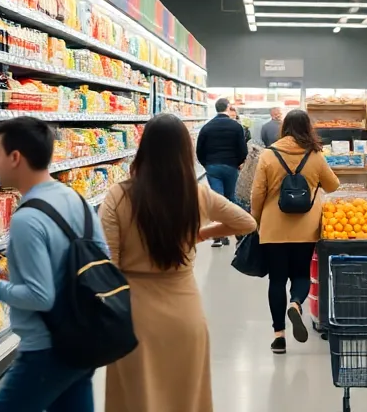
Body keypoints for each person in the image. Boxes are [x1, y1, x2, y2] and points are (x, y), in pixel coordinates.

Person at [100, 114, 256, 412]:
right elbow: (246, 221)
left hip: (135, 314)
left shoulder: (118, 196)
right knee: (185, 401)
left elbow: (110, 264)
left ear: (143, 148)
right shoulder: (196, 194)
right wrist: (199, 234)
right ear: (186, 151)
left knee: (136, 401)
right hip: (184, 313)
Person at [0, 116, 105, 412]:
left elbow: (41, 296)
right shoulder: (77, 200)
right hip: (85, 338)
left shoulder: (27, 218)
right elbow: (100, 260)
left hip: (46, 351)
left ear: (15, 157)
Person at [251, 109, 340, 353]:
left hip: (273, 227)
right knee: (300, 275)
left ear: (284, 127)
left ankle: (279, 335)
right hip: (306, 227)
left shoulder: (269, 155)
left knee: (277, 280)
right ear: (308, 128)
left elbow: (257, 192)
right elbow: (333, 185)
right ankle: (296, 304)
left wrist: (256, 220)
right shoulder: (315, 155)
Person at [196, 98, 248, 246]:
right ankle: (238, 232)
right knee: (231, 198)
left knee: (217, 200)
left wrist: (207, 165)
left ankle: (218, 236)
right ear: (228, 107)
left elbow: (199, 149)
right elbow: (242, 149)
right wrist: (237, 163)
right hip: (231, 166)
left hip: (213, 167)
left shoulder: (207, 127)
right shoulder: (236, 127)